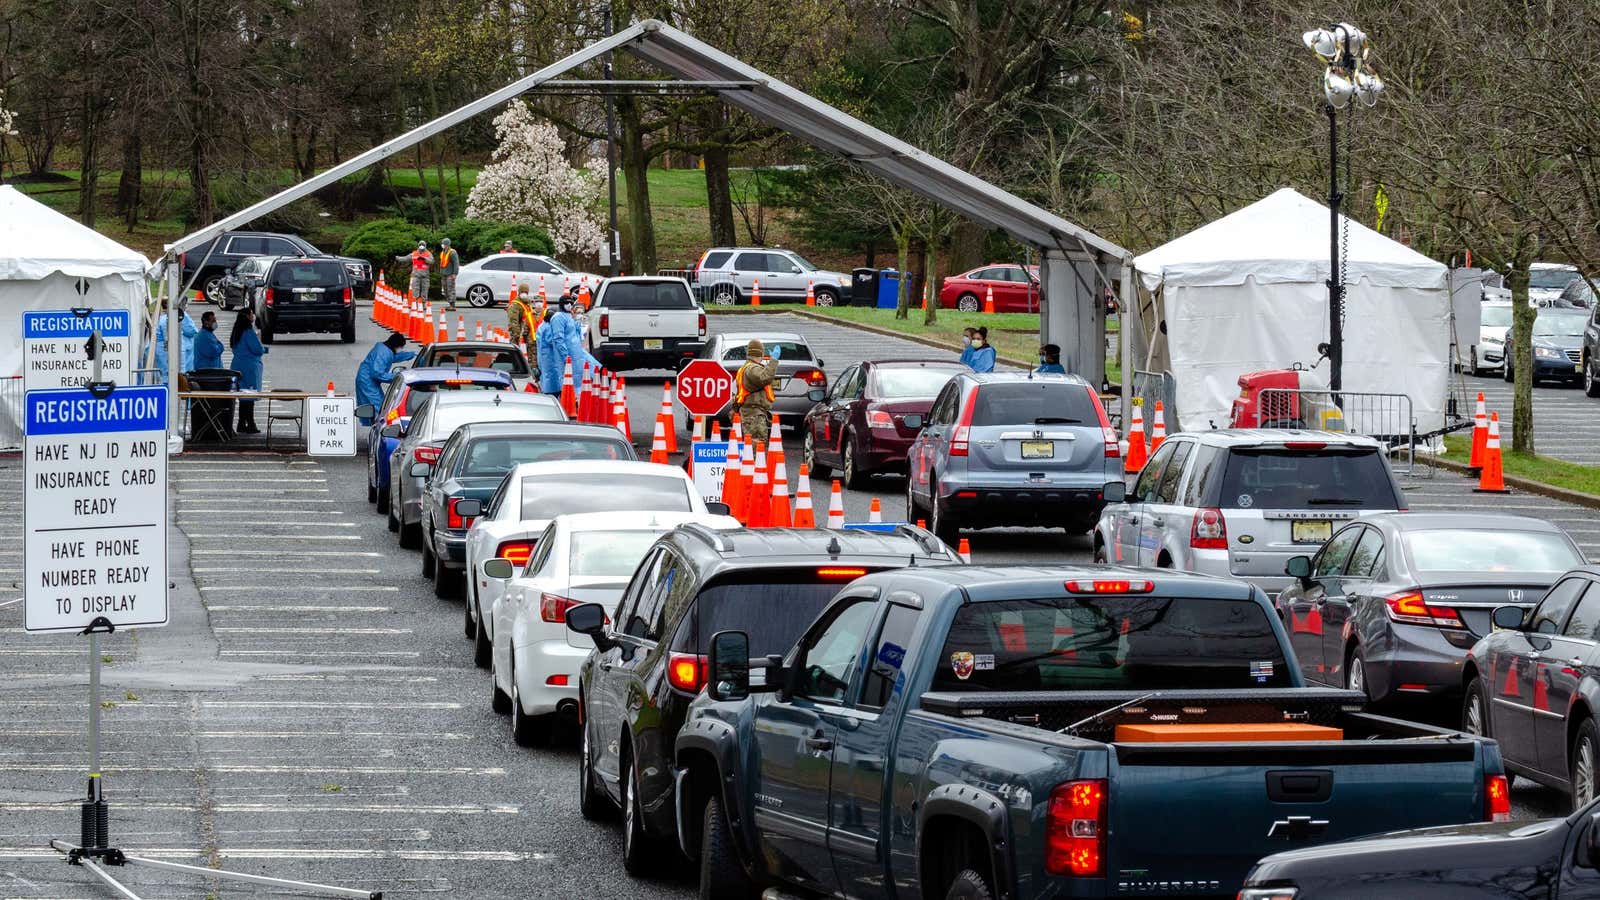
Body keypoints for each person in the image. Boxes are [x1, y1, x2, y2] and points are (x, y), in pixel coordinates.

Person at [356, 333, 416, 426]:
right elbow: (377, 373)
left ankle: (378, 426)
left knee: (376, 406)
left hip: (367, 379)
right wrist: (396, 377)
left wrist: (410, 355)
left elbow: (393, 357)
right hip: (367, 381)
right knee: (380, 406)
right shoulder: (382, 353)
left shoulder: (385, 350)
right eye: (401, 347)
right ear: (396, 345)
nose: (401, 349)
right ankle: (382, 428)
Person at [548, 295, 599, 399]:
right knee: (567, 379)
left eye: (571, 303)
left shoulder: (569, 316)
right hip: (567, 356)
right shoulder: (558, 318)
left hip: (576, 355)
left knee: (578, 378)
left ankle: (576, 399)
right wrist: (565, 355)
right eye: (567, 303)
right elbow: (558, 338)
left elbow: (575, 333)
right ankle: (568, 401)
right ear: (561, 304)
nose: (569, 305)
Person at [228, 309, 267, 434]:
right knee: (249, 395)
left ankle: (241, 423)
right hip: (249, 366)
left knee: (243, 396)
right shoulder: (248, 332)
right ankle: (250, 423)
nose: (253, 316)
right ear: (247, 317)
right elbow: (256, 349)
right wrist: (264, 349)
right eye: (251, 314)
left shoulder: (237, 331)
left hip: (237, 364)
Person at [736, 339, 781, 443]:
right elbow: (764, 378)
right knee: (756, 445)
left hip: (751, 413)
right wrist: (773, 361)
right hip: (754, 415)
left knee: (752, 445)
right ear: (760, 353)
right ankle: (755, 460)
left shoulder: (746, 367)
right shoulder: (752, 369)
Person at [153, 299, 198, 377]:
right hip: (171, 364)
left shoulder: (166, 318)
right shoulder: (168, 320)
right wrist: (182, 371)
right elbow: (190, 330)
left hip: (176, 361)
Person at [535, 308, 559, 394]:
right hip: (550, 358)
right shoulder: (549, 327)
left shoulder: (542, 326)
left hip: (543, 357)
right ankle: (552, 393)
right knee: (551, 378)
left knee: (545, 377)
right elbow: (552, 341)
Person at [437, 238, 460, 308]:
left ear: (447, 244)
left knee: (450, 289)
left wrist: (455, 273)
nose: (442, 245)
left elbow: (456, 263)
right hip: (444, 273)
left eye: (443, 244)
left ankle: (452, 304)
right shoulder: (443, 252)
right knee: (445, 289)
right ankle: (450, 303)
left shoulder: (452, 252)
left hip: (450, 274)